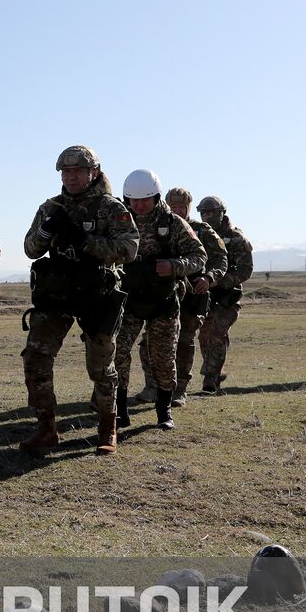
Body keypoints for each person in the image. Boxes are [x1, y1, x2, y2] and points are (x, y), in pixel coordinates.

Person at [20, 146, 138, 455]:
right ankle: (46, 429)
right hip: (56, 292)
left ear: (93, 173)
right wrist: (46, 230)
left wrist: (86, 243)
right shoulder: (50, 208)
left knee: (100, 366)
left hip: (97, 293)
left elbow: (129, 248)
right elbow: (30, 249)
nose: (71, 177)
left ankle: (106, 428)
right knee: (36, 359)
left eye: (78, 172)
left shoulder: (111, 208)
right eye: (66, 172)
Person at [113, 170, 206, 431]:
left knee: (163, 359)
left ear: (155, 196)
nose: (139, 205)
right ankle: (120, 411)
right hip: (127, 302)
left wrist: (175, 266)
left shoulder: (173, 223)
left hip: (162, 302)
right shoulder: (119, 221)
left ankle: (164, 412)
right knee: (118, 354)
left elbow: (199, 256)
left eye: (144, 200)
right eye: (134, 200)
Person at [134, 187, 227, 406]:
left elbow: (220, 259)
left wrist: (209, 278)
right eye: (172, 206)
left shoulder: (201, 231)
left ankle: (179, 390)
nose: (176, 210)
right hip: (161, 296)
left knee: (184, 342)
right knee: (150, 342)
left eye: (181, 207)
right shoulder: (157, 226)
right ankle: (152, 387)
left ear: (188, 208)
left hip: (192, 296)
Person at [196, 196, 254, 393]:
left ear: (222, 213)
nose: (207, 216)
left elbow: (246, 269)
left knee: (218, 334)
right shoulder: (198, 234)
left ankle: (210, 379)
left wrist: (222, 280)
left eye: (212, 212)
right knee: (204, 336)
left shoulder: (235, 237)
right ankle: (215, 371)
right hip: (205, 294)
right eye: (203, 213)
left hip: (227, 296)